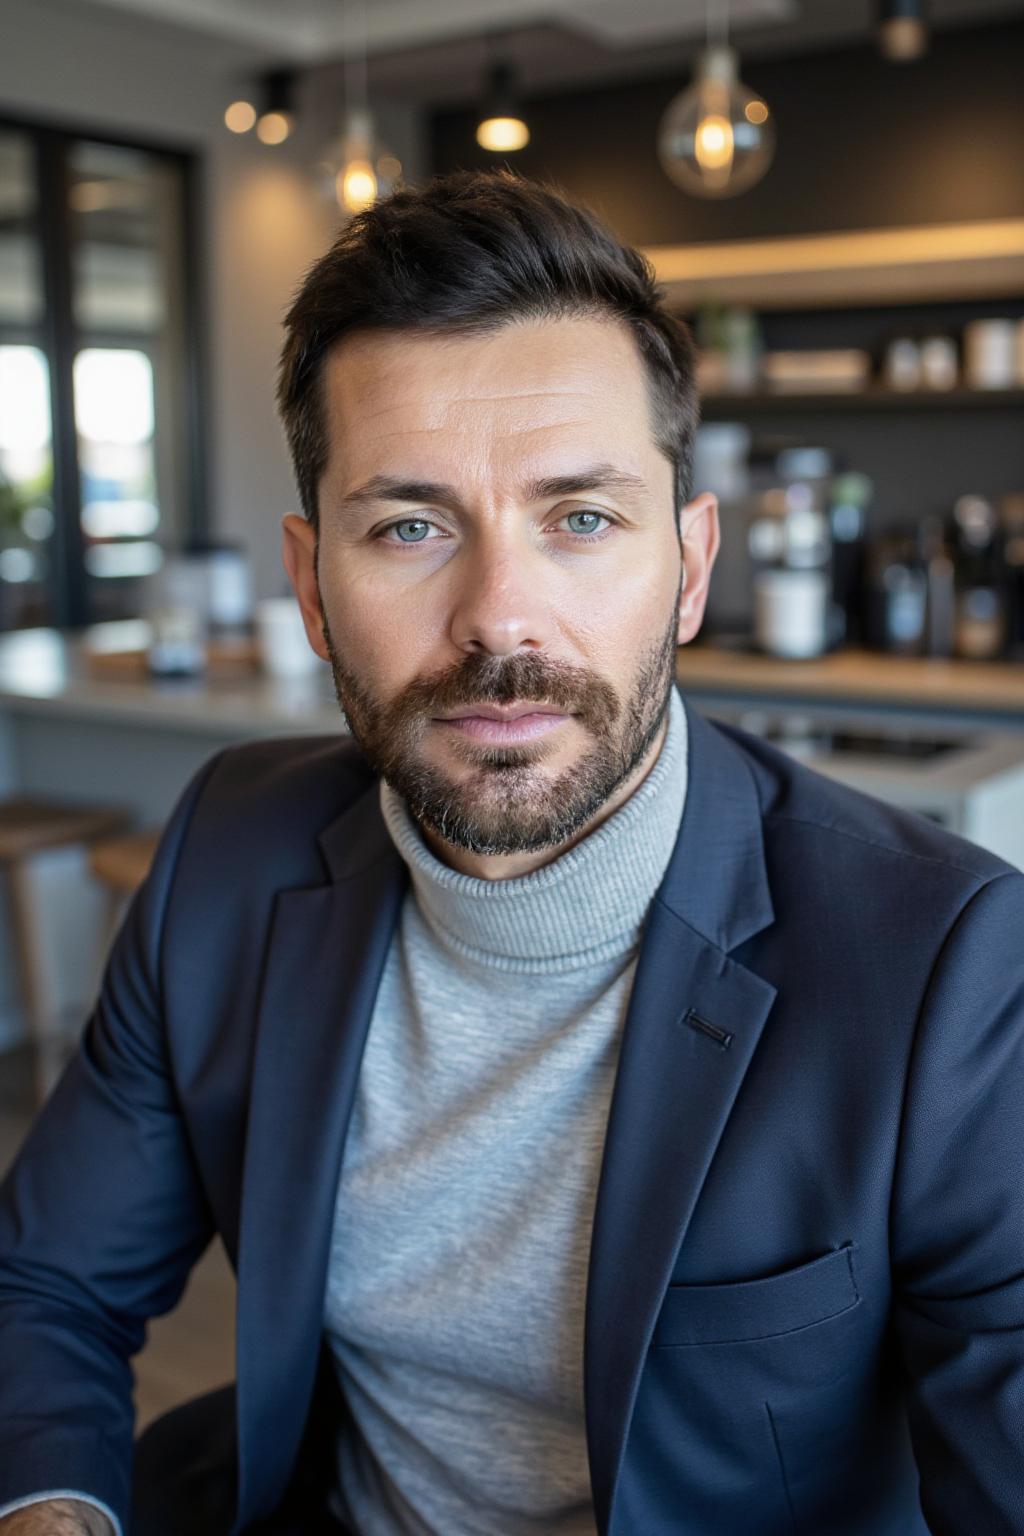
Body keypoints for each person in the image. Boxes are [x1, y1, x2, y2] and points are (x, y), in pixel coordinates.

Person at [1, 170, 1023, 1536]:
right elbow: (49, 1287)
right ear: (311, 585)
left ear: (692, 564)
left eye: (582, 519)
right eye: (411, 526)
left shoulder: (949, 964)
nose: (500, 621)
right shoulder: (228, 852)